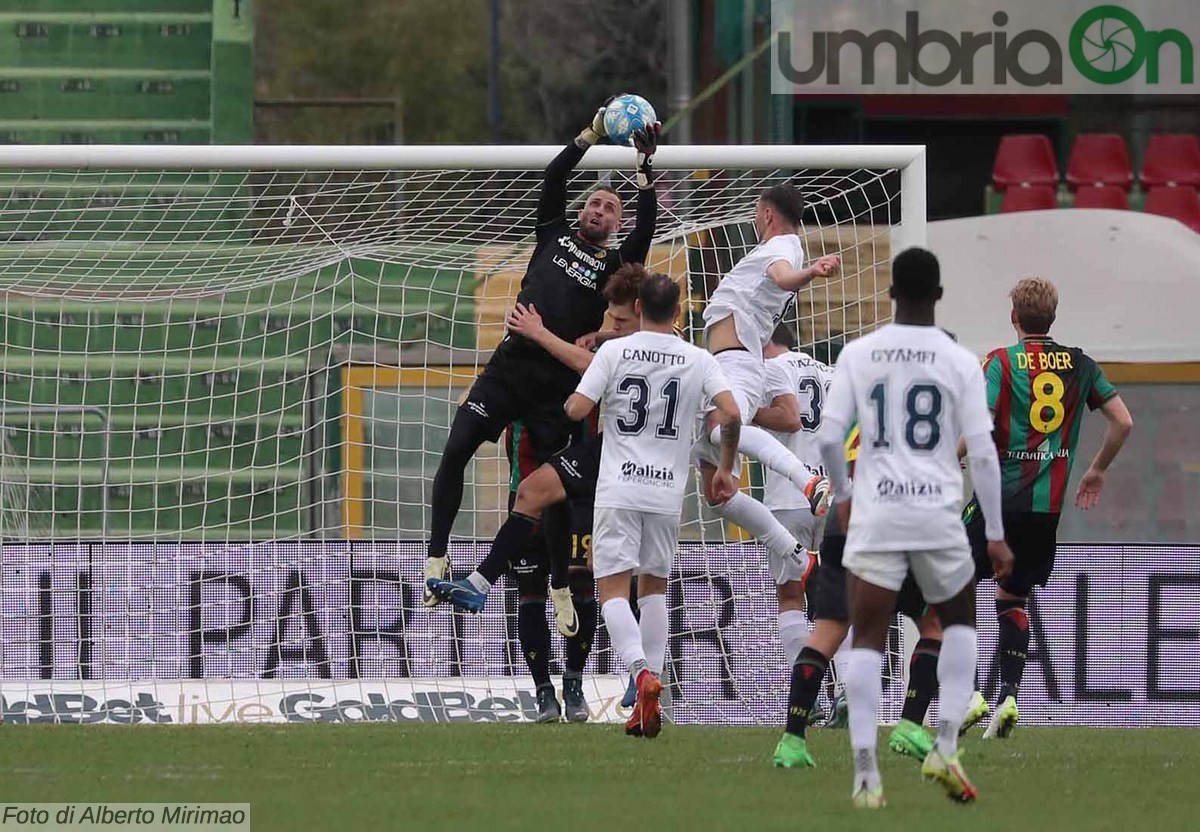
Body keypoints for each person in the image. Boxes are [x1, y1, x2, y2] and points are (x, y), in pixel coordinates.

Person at [423, 102, 660, 609]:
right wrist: (591, 133)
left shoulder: (614, 266)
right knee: (456, 446)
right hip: (510, 368)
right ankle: (437, 556)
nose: (599, 210)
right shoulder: (552, 234)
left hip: (557, 388)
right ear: (580, 212)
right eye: (594, 203)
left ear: (616, 226)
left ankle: (558, 583)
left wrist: (643, 173)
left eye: (609, 209)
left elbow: (648, 229)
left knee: (550, 490)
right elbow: (555, 175)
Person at [817, 247, 1014, 808]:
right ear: (940, 295)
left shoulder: (860, 353)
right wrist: (995, 534)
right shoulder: (959, 361)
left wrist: (846, 496)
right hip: (936, 514)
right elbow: (981, 452)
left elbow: (831, 439)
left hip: (877, 511)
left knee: (868, 638)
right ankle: (946, 746)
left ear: (890, 293)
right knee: (957, 626)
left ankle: (864, 774)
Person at [428, 264, 647, 722]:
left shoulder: (585, 357)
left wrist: (596, 337)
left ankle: (575, 684)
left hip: (582, 490)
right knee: (530, 589)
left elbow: (604, 358)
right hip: (532, 487)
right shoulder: (523, 367)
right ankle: (544, 691)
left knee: (586, 585)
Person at [564, 273, 740, 739]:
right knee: (655, 590)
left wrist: (579, 398)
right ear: (678, 313)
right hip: (665, 491)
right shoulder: (698, 358)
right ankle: (651, 699)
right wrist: (724, 467)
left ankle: (641, 673)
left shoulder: (614, 351)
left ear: (638, 306)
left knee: (613, 592)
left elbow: (577, 410)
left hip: (620, 488)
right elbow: (733, 412)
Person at [965, 277, 1133, 739]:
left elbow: (978, 426)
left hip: (998, 499)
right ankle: (1009, 696)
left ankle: (971, 691)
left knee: (949, 585)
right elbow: (1123, 421)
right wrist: (1096, 469)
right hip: (1047, 510)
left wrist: (951, 455)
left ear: (1014, 317)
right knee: (1012, 597)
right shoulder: (1080, 365)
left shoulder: (1001, 362)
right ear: (1052, 317)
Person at [772, 422, 950, 769]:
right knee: (935, 622)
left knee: (827, 632)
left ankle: (791, 740)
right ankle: (910, 726)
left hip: (843, 522)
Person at [693, 186, 840, 585]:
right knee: (718, 494)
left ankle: (806, 479)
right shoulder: (779, 248)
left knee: (727, 429)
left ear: (769, 214)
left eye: (758, 213)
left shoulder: (785, 248)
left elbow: (784, 277)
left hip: (737, 360)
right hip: (730, 361)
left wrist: (810, 273)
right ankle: (796, 555)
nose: (757, 219)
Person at [755, 323, 833, 668]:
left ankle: (806, 695)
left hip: (790, 497)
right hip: (832, 496)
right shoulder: (830, 373)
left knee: (790, 596)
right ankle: (843, 688)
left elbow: (789, 420)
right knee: (836, 601)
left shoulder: (771, 369)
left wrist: (745, 412)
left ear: (766, 342)